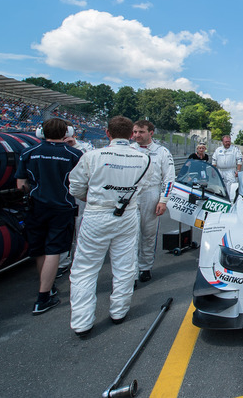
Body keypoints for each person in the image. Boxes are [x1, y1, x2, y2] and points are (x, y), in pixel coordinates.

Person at [68, 116, 151, 337]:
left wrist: (96, 199)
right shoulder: (143, 158)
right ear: (131, 134)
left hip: (96, 213)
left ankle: (82, 322)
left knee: (85, 268)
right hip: (127, 213)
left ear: (107, 133)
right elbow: (142, 187)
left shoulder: (91, 156)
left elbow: (75, 187)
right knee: (125, 264)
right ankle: (119, 311)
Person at [15, 118, 83, 315]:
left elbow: (21, 185)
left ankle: (48, 287)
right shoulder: (74, 153)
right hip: (62, 207)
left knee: (40, 249)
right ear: (65, 132)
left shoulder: (28, 152)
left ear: (42, 133)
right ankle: (43, 296)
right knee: (54, 249)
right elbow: (80, 183)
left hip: (36, 207)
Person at [131, 120, 175, 283]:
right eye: (135, 132)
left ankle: (145, 267)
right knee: (131, 236)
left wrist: (163, 200)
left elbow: (169, 178)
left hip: (152, 193)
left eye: (141, 132)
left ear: (151, 133)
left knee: (148, 234)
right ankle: (132, 273)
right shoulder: (129, 150)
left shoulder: (162, 151)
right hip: (132, 194)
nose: (137, 135)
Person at [57, 135, 94, 278]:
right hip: (60, 194)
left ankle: (80, 259)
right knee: (63, 228)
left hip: (80, 195)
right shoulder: (56, 149)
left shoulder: (84, 149)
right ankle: (62, 262)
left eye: (68, 137)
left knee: (80, 225)